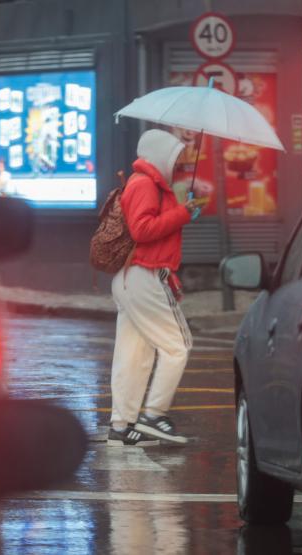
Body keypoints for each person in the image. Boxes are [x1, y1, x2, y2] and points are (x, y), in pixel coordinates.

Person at [107, 129, 202, 447]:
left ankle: (122, 425)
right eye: (174, 156)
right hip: (144, 277)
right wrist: (183, 214)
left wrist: (180, 212)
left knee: (133, 355)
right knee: (178, 346)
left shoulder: (146, 183)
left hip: (132, 277)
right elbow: (142, 229)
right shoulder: (146, 184)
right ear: (159, 154)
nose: (176, 163)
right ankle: (153, 415)